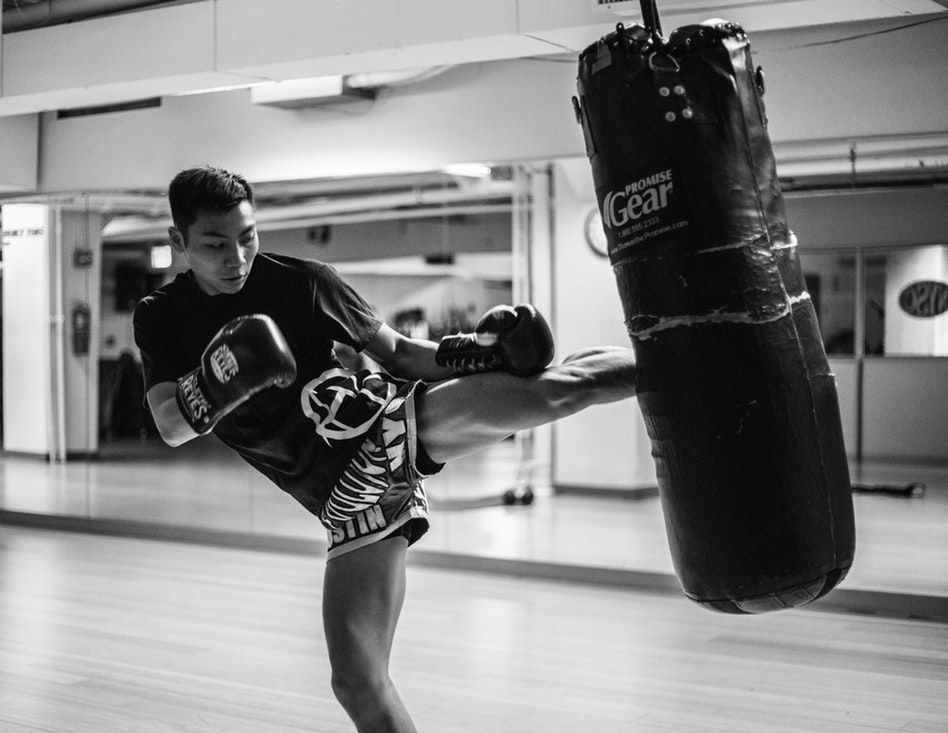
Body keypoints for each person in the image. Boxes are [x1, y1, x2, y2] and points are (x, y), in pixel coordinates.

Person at [134, 166, 637, 732]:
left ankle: (679, 355)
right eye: (215, 244)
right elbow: (170, 424)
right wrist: (215, 380)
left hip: (388, 428)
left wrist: (477, 352)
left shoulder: (302, 281)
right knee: (356, 682)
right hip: (346, 503)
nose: (237, 257)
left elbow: (397, 352)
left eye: (247, 236)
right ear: (178, 241)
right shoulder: (161, 317)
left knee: (557, 391)